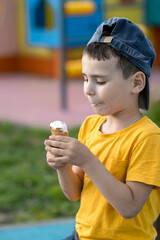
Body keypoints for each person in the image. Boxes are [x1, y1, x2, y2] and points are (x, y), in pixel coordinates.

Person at [44, 17, 160, 240]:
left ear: (136, 83)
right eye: (86, 78)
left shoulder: (147, 137)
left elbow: (130, 207)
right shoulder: (90, 125)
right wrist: (63, 167)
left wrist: (87, 160)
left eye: (100, 81)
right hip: (82, 235)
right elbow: (74, 193)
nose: (88, 89)